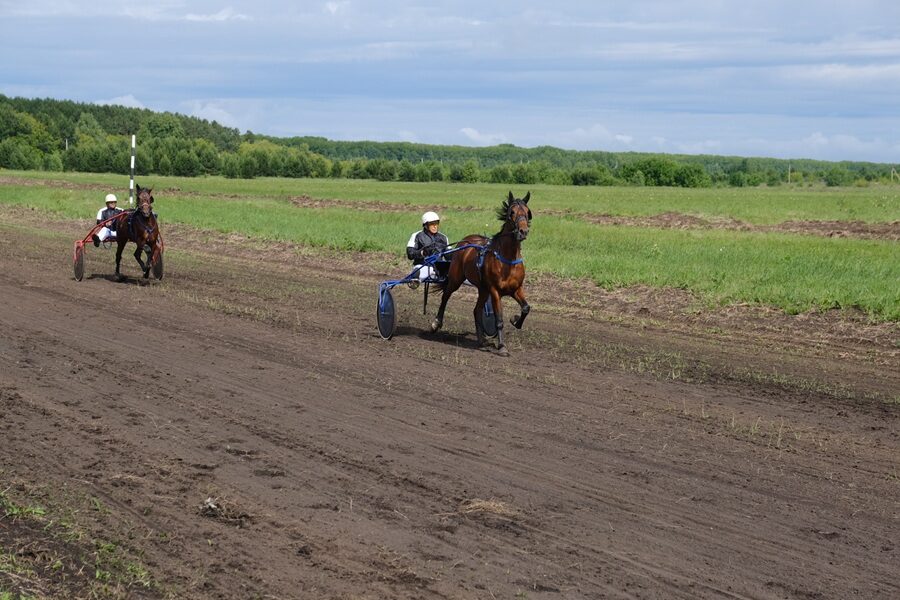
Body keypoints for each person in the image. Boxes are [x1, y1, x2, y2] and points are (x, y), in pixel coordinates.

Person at [406, 210, 449, 287]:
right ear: (425, 225)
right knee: (418, 270)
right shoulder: (417, 235)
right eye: (432, 224)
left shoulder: (444, 238)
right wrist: (422, 252)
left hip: (440, 269)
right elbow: (410, 254)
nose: (435, 226)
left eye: (436, 223)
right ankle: (414, 281)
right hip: (423, 266)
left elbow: (449, 255)